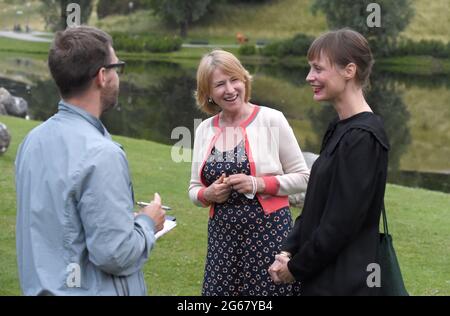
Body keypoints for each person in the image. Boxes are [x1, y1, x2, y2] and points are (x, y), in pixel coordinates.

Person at [15, 26, 165, 296]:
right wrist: (147, 223)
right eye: (116, 67)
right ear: (102, 76)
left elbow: (61, 222)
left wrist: (118, 221)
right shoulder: (101, 154)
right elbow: (117, 255)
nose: (118, 76)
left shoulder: (32, 140)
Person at [268, 28, 390, 296]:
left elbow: (341, 223)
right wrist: (288, 248)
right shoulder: (339, 127)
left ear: (349, 70)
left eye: (318, 69)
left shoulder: (363, 138)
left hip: (344, 283)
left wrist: (297, 267)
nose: (309, 77)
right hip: (321, 276)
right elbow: (315, 205)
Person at [189, 49, 310, 296]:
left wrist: (258, 184)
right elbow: (193, 189)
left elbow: (303, 177)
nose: (230, 89)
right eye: (220, 84)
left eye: (235, 79)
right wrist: (208, 194)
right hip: (223, 239)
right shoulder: (204, 130)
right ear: (208, 93)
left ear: (244, 80)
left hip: (269, 235)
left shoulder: (271, 120)